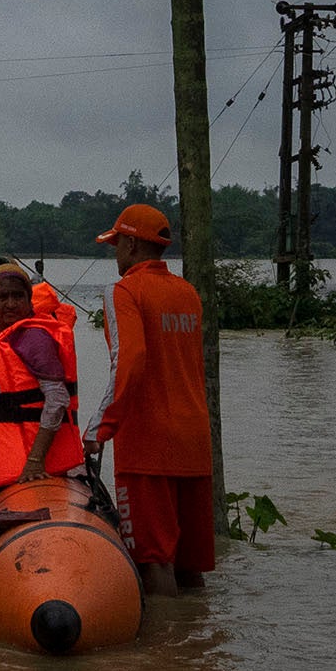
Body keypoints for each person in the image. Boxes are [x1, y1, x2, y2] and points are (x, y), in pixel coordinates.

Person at [89, 201, 214, 589]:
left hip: (147, 447)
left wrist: (99, 428)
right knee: (189, 567)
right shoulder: (188, 292)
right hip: (194, 443)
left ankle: (163, 648)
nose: (116, 254)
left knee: (153, 560)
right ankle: (197, 644)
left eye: (116, 245)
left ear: (130, 244)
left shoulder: (123, 291)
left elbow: (127, 361)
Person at [0, 260, 82, 493]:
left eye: (18, 297)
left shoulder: (34, 338)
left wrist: (35, 460)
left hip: (24, 454)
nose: (10, 304)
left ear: (29, 301)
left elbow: (58, 399)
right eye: (3, 297)